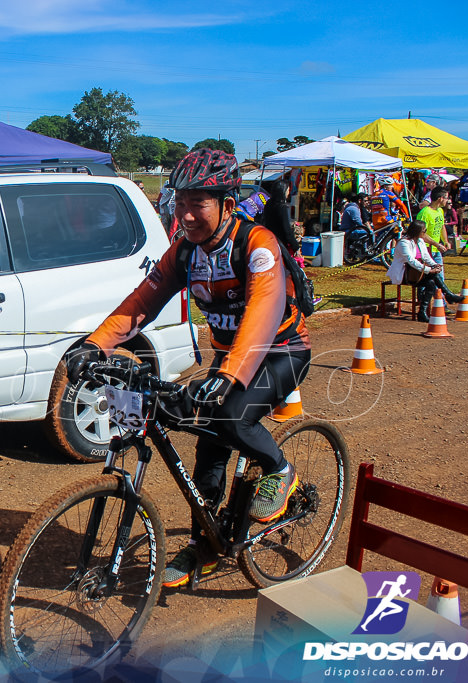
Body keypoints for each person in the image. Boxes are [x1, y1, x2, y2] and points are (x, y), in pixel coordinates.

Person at [66, 149, 311, 588]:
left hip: (280, 351)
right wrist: (95, 345)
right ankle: (208, 545)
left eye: (197, 203)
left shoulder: (257, 245)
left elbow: (264, 310)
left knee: (231, 414)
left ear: (226, 205)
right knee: (207, 448)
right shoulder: (184, 252)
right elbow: (142, 302)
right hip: (228, 359)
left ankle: (278, 469)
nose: (185, 215)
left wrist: (228, 374)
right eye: (179, 203)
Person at [386, 219, 464, 321]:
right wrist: (428, 270)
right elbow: (411, 261)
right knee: (433, 275)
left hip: (417, 273)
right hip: (404, 273)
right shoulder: (403, 243)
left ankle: (422, 312)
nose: (425, 233)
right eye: (424, 231)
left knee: (431, 283)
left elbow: (426, 257)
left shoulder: (420, 241)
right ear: (417, 231)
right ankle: (448, 295)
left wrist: (435, 265)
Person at [416, 187, 451, 270]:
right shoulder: (425, 213)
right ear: (440, 199)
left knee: (440, 277)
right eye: (446, 198)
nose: (448, 201)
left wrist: (445, 241)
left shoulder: (440, 211)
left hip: (436, 250)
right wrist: (437, 244)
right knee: (431, 278)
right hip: (426, 250)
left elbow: (442, 227)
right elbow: (421, 234)